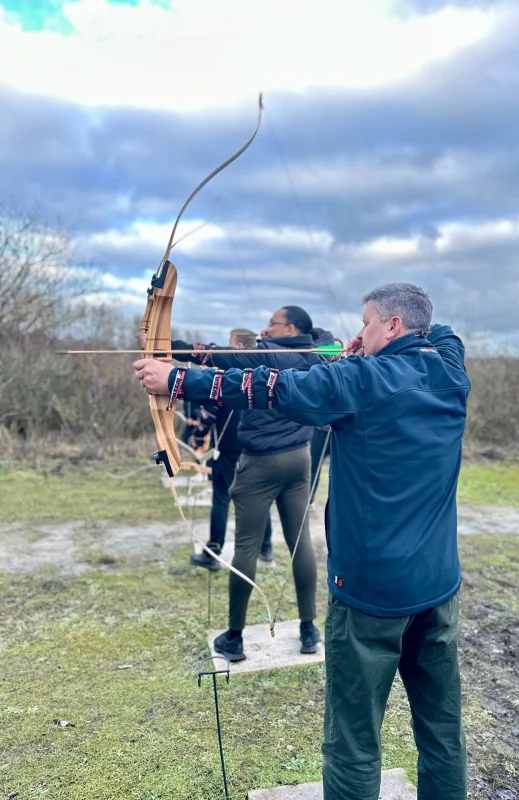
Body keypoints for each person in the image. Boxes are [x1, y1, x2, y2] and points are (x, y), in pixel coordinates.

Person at [134, 283, 469, 800]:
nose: (358, 334)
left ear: (394, 326)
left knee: (354, 740)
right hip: (439, 587)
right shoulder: (450, 368)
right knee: (442, 730)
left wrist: (178, 379)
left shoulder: (361, 379)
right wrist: (374, 341)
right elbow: (445, 333)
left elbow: (268, 388)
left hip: (370, 595)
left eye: (367, 323)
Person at [165, 306, 331, 660]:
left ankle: (235, 638)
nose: (266, 329)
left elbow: (219, 355)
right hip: (299, 459)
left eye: (272, 323)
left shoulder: (269, 353)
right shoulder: (317, 352)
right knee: (300, 543)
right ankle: (308, 629)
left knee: (246, 547)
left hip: (260, 464)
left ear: (288, 329)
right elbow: (325, 339)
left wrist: (167, 347)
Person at [180, 329, 273, 570]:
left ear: (239, 347)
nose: (226, 349)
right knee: (258, 501)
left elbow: (210, 411)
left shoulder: (229, 379)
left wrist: (197, 436)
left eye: (230, 345)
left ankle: (214, 554)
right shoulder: (267, 377)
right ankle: (266, 546)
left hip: (231, 454)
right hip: (256, 454)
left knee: (221, 501)